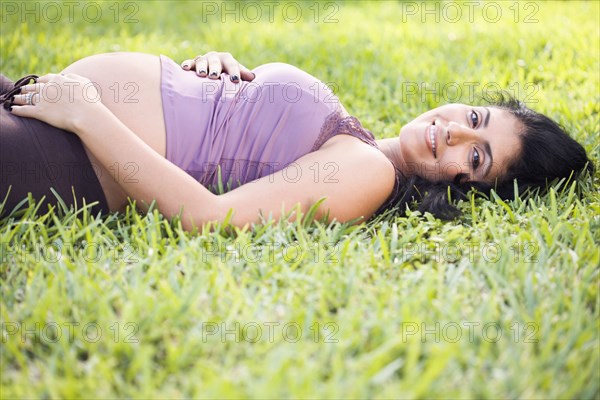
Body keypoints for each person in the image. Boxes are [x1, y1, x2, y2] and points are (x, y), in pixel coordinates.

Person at [0, 52, 594, 231]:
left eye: (477, 153)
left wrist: (86, 113)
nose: (456, 131)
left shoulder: (369, 172)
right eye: (475, 116)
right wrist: (206, 72)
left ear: (473, 185)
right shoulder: (354, 136)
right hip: (50, 110)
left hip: (65, 159)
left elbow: (210, 217)